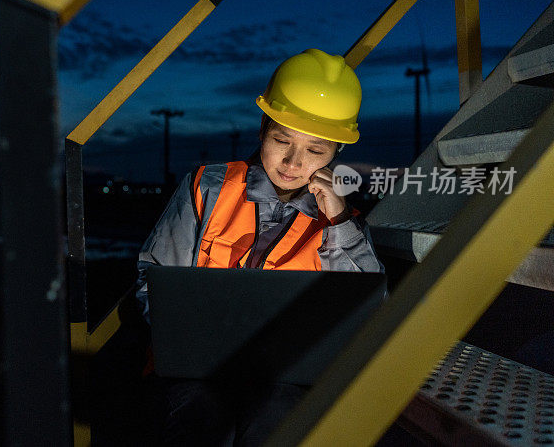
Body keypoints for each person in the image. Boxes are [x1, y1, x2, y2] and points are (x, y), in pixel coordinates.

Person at [134, 48, 385, 446]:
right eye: (281, 140)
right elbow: (154, 281)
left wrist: (339, 222)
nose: (292, 161)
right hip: (197, 372)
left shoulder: (341, 220)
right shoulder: (207, 187)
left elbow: (364, 306)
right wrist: (192, 344)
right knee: (201, 422)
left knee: (278, 422)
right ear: (262, 129)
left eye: (316, 151)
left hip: (285, 378)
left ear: (337, 152)